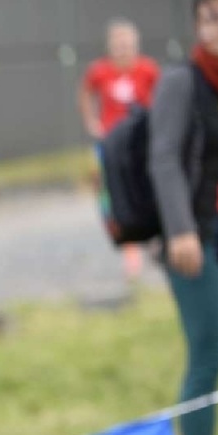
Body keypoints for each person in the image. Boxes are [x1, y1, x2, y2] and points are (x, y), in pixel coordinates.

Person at [149, 0, 218, 435]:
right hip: (196, 240)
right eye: (212, 17)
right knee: (207, 355)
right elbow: (163, 158)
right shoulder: (182, 81)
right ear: (197, 27)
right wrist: (180, 229)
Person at [79, 19, 159, 279]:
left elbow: (161, 97)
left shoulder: (148, 69)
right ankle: (129, 244)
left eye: (128, 44)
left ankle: (154, 236)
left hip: (141, 142)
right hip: (111, 144)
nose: (123, 49)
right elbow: (85, 93)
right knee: (113, 193)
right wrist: (92, 122)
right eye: (118, 44)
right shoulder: (99, 71)